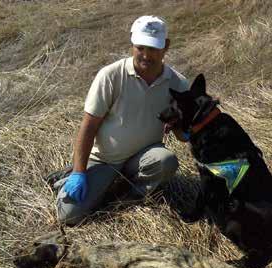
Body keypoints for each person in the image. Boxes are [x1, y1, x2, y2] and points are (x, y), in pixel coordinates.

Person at [56, 15, 188, 226]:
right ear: (132, 43)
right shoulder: (110, 76)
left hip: (145, 155)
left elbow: (182, 135)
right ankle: (69, 176)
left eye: (153, 48)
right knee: (69, 215)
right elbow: (88, 128)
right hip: (106, 158)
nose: (146, 55)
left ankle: (127, 196)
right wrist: (79, 173)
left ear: (166, 47)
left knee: (167, 161)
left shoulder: (178, 83)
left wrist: (186, 129)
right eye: (141, 47)